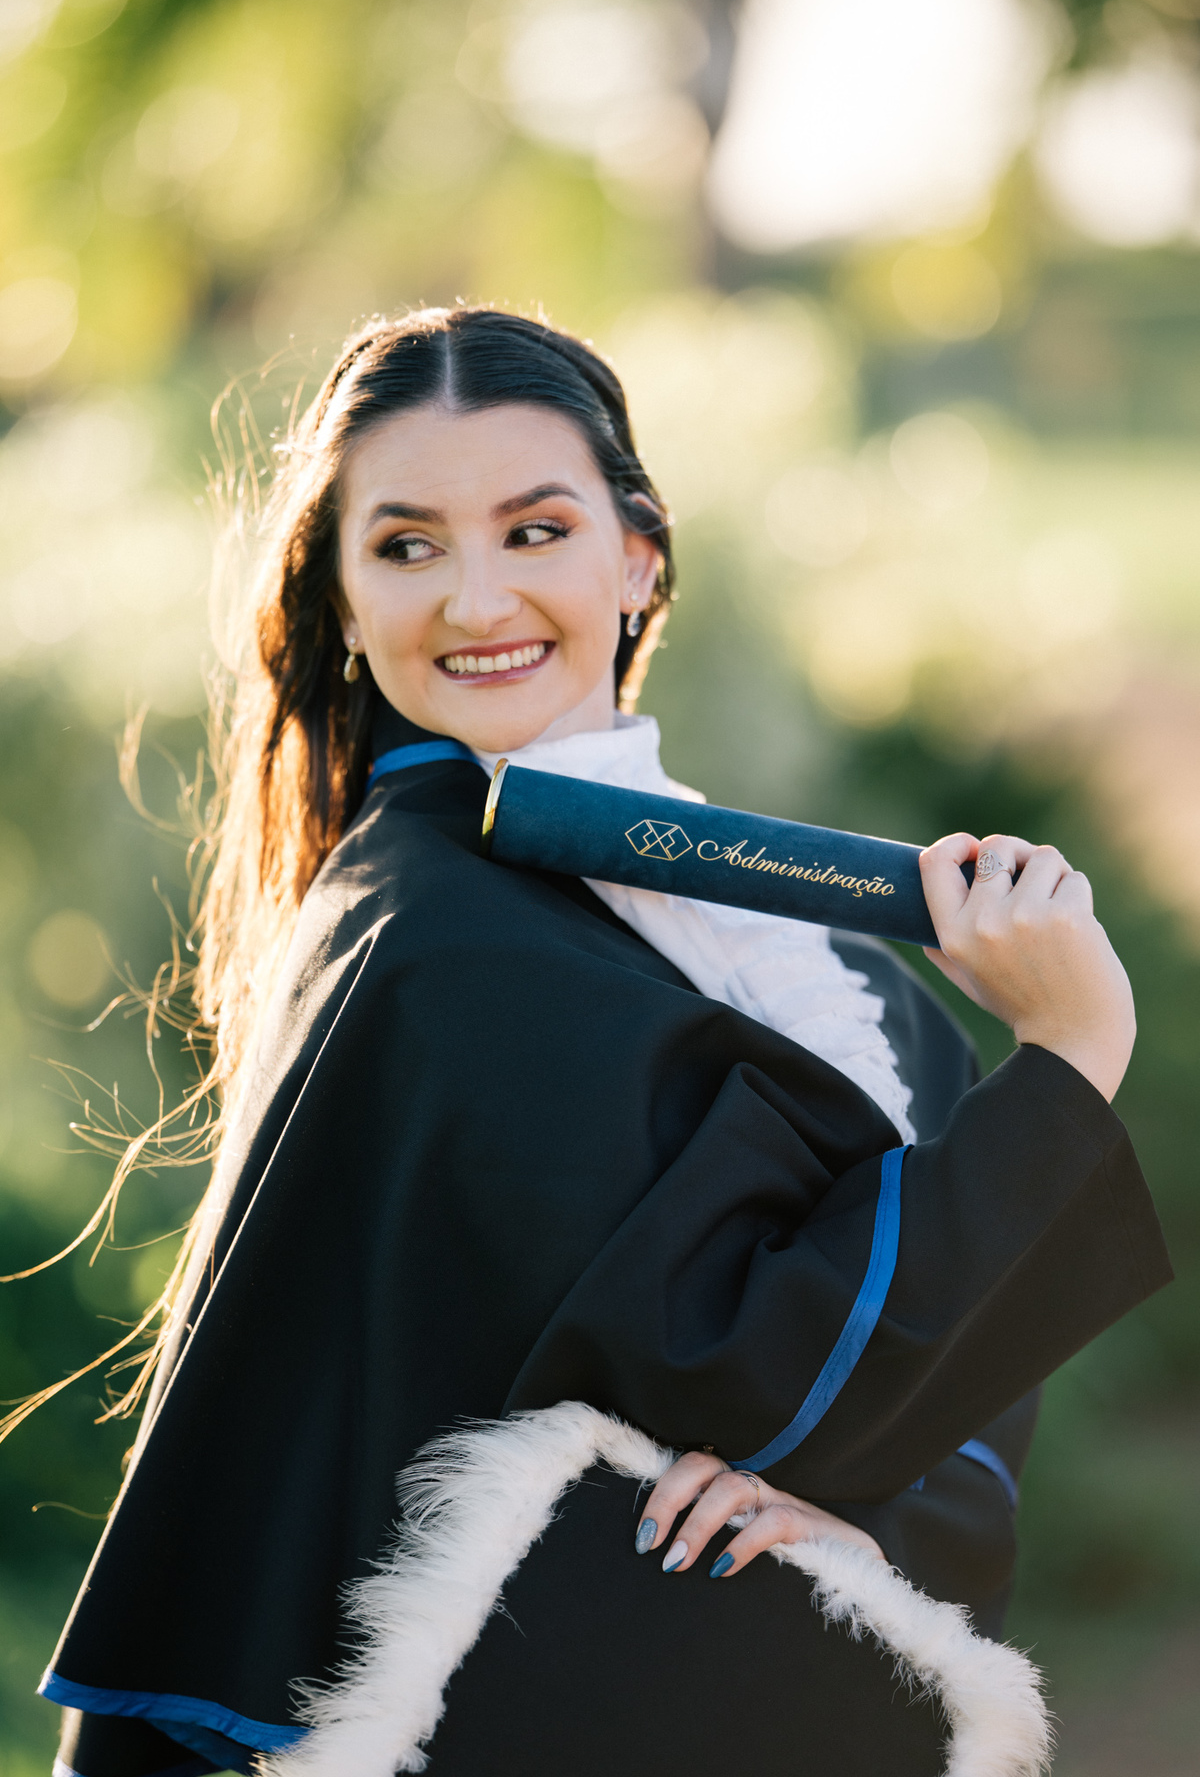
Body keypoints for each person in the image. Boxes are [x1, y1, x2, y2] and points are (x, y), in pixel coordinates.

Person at [41, 307, 1169, 1777]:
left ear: (636, 558)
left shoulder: (781, 922)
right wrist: (1070, 1060)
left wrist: (868, 1528)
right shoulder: (433, 940)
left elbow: (941, 1383)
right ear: (342, 600)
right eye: (407, 546)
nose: (476, 600)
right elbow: (727, 1367)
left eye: (536, 530)